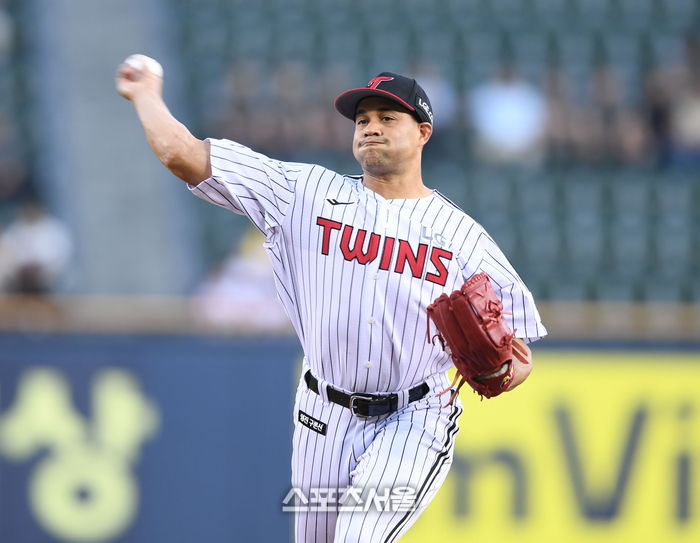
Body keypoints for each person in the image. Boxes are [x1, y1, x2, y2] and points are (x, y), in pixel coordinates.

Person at [116, 61, 547, 543]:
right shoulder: (303, 194)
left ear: (423, 132)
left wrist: (502, 371)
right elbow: (182, 154)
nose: (371, 128)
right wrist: (146, 94)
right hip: (321, 414)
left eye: (388, 118)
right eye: (363, 120)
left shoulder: (463, 238)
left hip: (414, 418)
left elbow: (517, 349)